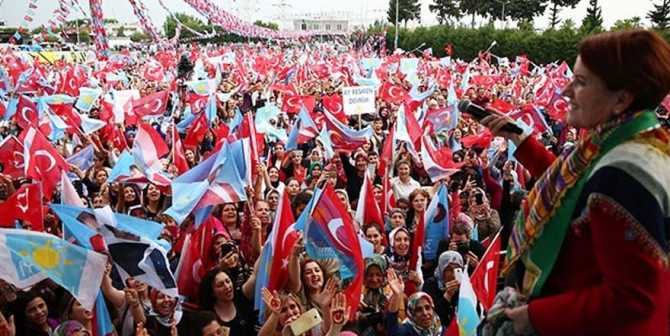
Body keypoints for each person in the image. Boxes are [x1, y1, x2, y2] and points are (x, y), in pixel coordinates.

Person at [481, 29, 670, 335]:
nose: (566, 91)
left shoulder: (625, 173)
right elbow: (574, 189)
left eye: (581, 82)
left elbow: (633, 299)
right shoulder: (635, 140)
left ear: (622, 99)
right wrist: (521, 140)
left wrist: (534, 316)